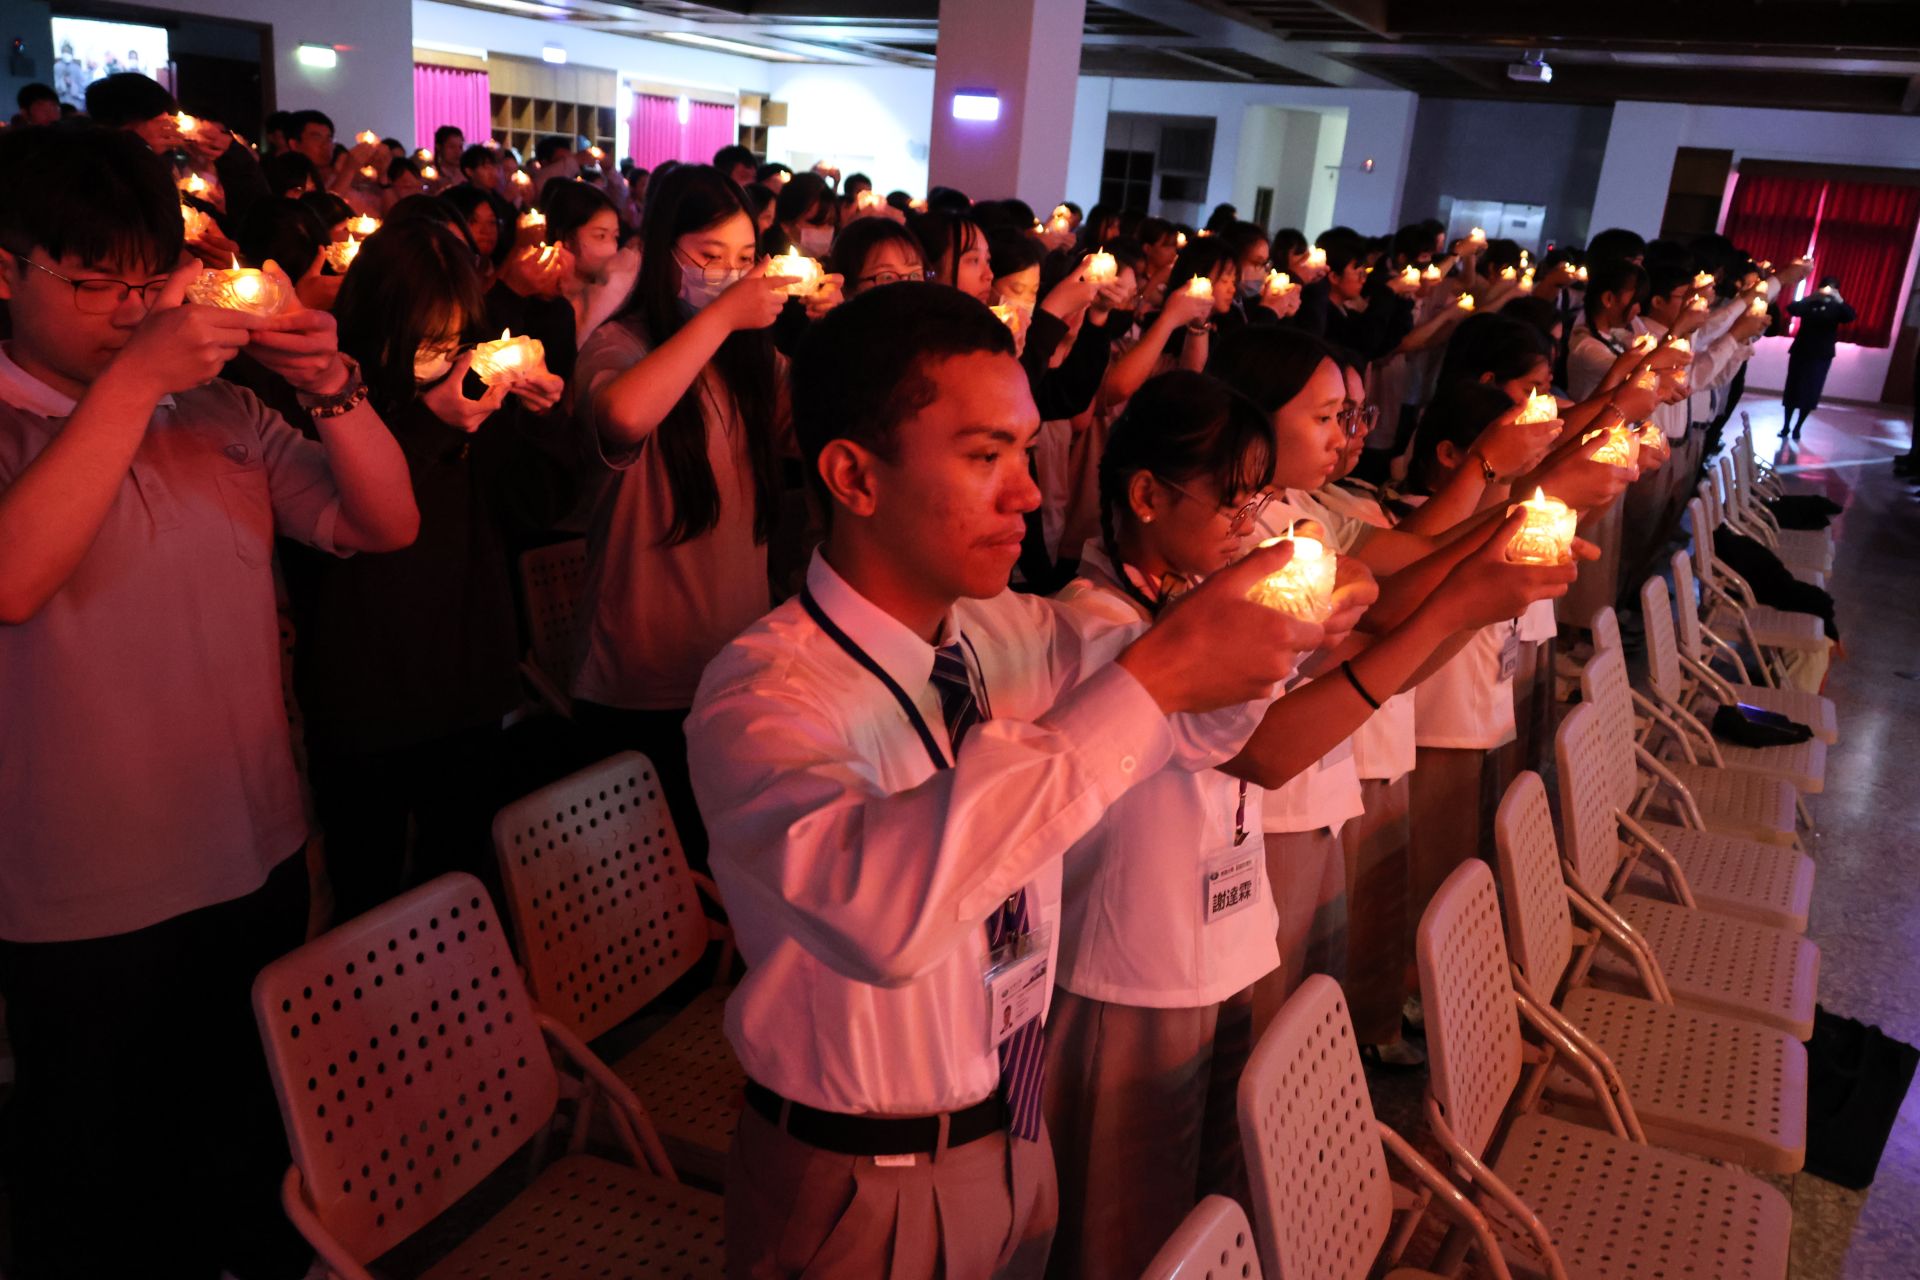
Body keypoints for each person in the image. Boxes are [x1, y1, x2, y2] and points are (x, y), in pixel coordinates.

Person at [687, 281, 1317, 1280]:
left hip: (1016, 1123)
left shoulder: (1006, 631)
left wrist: (1278, 625)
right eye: (986, 456)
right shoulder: (763, 697)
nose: (1028, 492)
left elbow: (1196, 728)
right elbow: (880, 914)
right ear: (854, 474)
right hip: (866, 1172)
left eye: (1026, 452)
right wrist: (1158, 673)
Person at [0, 122, 418, 1280]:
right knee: (91, 1188)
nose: (132, 313)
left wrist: (331, 383)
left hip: (256, 849)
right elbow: (15, 577)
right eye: (94, 285)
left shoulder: (218, 419)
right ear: (6, 269)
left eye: (148, 283)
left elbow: (385, 521)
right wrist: (137, 378)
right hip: (83, 894)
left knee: (238, 1158)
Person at [282, 219, 570, 923]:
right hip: (364, 687)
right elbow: (365, 518)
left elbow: (538, 505)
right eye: (424, 340)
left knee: (460, 879)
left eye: (452, 340)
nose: (438, 358)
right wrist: (438, 423)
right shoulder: (327, 393)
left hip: (467, 674)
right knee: (368, 889)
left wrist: (537, 415)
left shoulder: (469, 391)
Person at [571, 164, 795, 873]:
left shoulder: (751, 362)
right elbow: (625, 413)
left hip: (732, 665)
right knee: (642, 885)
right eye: (708, 258)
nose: (729, 277)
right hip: (641, 670)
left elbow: (824, 426)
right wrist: (725, 315)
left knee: (721, 870)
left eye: (742, 261)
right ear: (665, 249)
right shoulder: (621, 347)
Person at [1783, 277, 1856, 439]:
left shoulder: (1837, 307)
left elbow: (1851, 316)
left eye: (1831, 289)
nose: (1827, 291)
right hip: (1801, 350)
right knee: (1793, 388)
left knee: (1811, 390)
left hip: (1822, 354)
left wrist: (1839, 300)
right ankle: (1786, 425)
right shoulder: (1810, 302)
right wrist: (1810, 297)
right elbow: (1792, 309)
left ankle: (1798, 427)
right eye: (1824, 288)